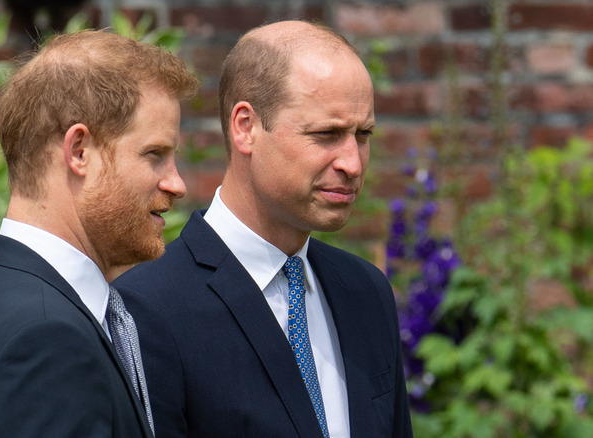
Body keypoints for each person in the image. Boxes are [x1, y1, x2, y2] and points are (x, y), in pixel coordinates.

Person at [113, 20, 413, 438]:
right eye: (326, 134)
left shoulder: (366, 292)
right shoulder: (147, 309)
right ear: (245, 127)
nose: (353, 163)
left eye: (362, 135)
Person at [0, 30, 198, 437]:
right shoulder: (45, 339)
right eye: (155, 155)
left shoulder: (3, 291)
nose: (176, 184)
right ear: (79, 151)